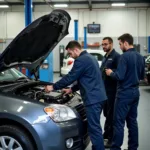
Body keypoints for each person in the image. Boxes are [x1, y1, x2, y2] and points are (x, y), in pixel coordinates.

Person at [45, 40, 107, 150]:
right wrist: (72, 89)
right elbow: (86, 78)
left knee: (94, 129)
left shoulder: (81, 60)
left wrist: (53, 87)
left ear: (76, 50)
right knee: (95, 127)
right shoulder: (91, 57)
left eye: (70, 53)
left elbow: (70, 77)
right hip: (99, 97)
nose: (70, 56)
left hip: (92, 99)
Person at [105, 33, 145, 150]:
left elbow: (120, 76)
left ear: (126, 43)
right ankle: (133, 147)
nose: (120, 47)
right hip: (135, 93)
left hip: (123, 94)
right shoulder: (140, 56)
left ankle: (116, 147)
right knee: (132, 122)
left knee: (118, 122)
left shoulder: (124, 57)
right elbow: (142, 76)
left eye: (120, 44)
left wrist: (111, 73)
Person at [100, 37, 120, 147]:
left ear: (111, 44)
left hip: (112, 91)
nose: (104, 46)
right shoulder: (105, 56)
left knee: (111, 115)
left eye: (106, 44)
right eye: (102, 44)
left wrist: (112, 72)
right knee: (106, 114)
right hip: (104, 91)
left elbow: (121, 72)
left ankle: (111, 139)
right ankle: (106, 134)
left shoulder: (116, 57)